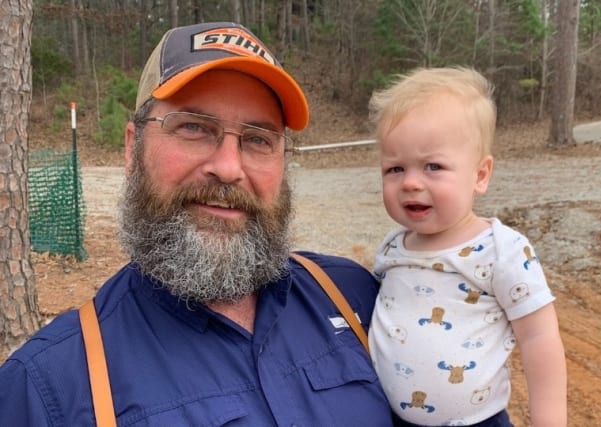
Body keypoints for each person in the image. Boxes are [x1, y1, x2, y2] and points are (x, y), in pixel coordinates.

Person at [0, 22, 393, 426]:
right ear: (133, 148)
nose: (228, 168)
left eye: (258, 139)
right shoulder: (47, 392)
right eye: (193, 127)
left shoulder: (358, 300)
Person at [367, 67, 567, 426]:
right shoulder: (392, 248)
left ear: (480, 175)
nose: (410, 183)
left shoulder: (501, 250)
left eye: (433, 166)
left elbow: (540, 338)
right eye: (395, 169)